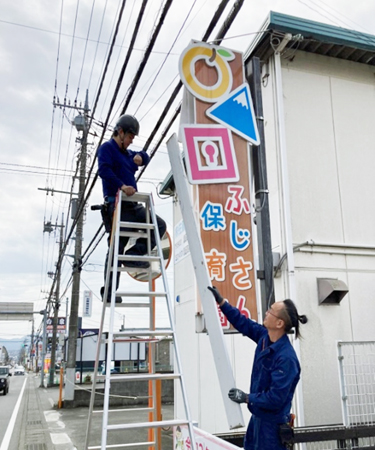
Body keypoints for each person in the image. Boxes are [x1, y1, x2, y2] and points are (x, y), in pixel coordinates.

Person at [208, 286, 307, 450]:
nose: (267, 312)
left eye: (271, 311)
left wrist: (247, 398)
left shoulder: (286, 359)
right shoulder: (264, 337)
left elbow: (275, 398)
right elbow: (243, 323)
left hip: (272, 428)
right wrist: (222, 302)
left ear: (279, 323)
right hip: (258, 420)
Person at [98, 114, 167, 302]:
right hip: (116, 204)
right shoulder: (107, 149)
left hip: (133, 205)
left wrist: (140, 157)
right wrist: (122, 186)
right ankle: (110, 291)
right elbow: (103, 170)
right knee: (115, 248)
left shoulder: (127, 154)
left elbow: (146, 157)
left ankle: (133, 255)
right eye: (129, 137)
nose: (130, 141)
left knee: (159, 225)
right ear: (120, 132)